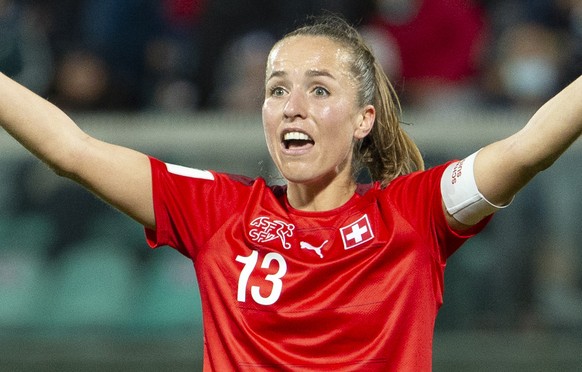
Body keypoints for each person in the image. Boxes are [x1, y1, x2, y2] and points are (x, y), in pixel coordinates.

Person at [0, 14, 581, 371]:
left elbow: (529, 147)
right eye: (277, 89)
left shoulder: (415, 213)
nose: (293, 105)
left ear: (363, 120)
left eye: (319, 89)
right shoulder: (217, 211)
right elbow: (69, 149)